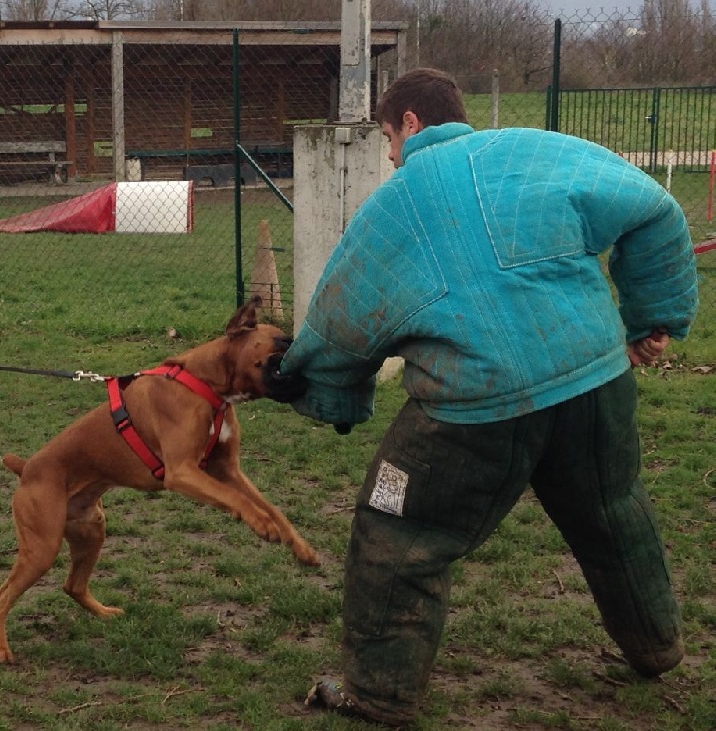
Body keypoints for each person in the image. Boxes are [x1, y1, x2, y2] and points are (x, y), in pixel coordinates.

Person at [280, 67, 700, 726]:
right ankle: (657, 646)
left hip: (472, 411)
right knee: (614, 512)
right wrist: (653, 318)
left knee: (397, 529)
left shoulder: (393, 205)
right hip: (595, 379)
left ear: (410, 124)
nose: (390, 156)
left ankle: (381, 693)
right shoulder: (541, 151)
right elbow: (658, 209)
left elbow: (340, 325)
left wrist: (331, 397)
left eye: (388, 139)